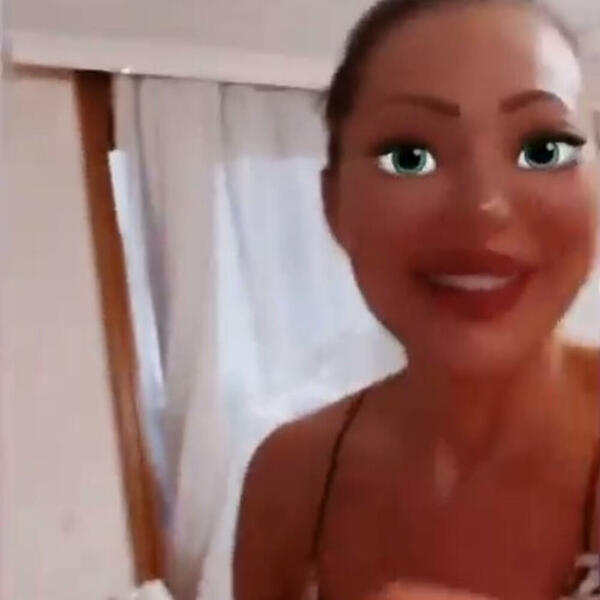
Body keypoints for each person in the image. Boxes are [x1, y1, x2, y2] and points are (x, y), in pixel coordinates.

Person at [233, 0, 600, 598]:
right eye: (409, 157)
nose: (484, 207)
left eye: (543, 149)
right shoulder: (291, 477)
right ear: (334, 204)